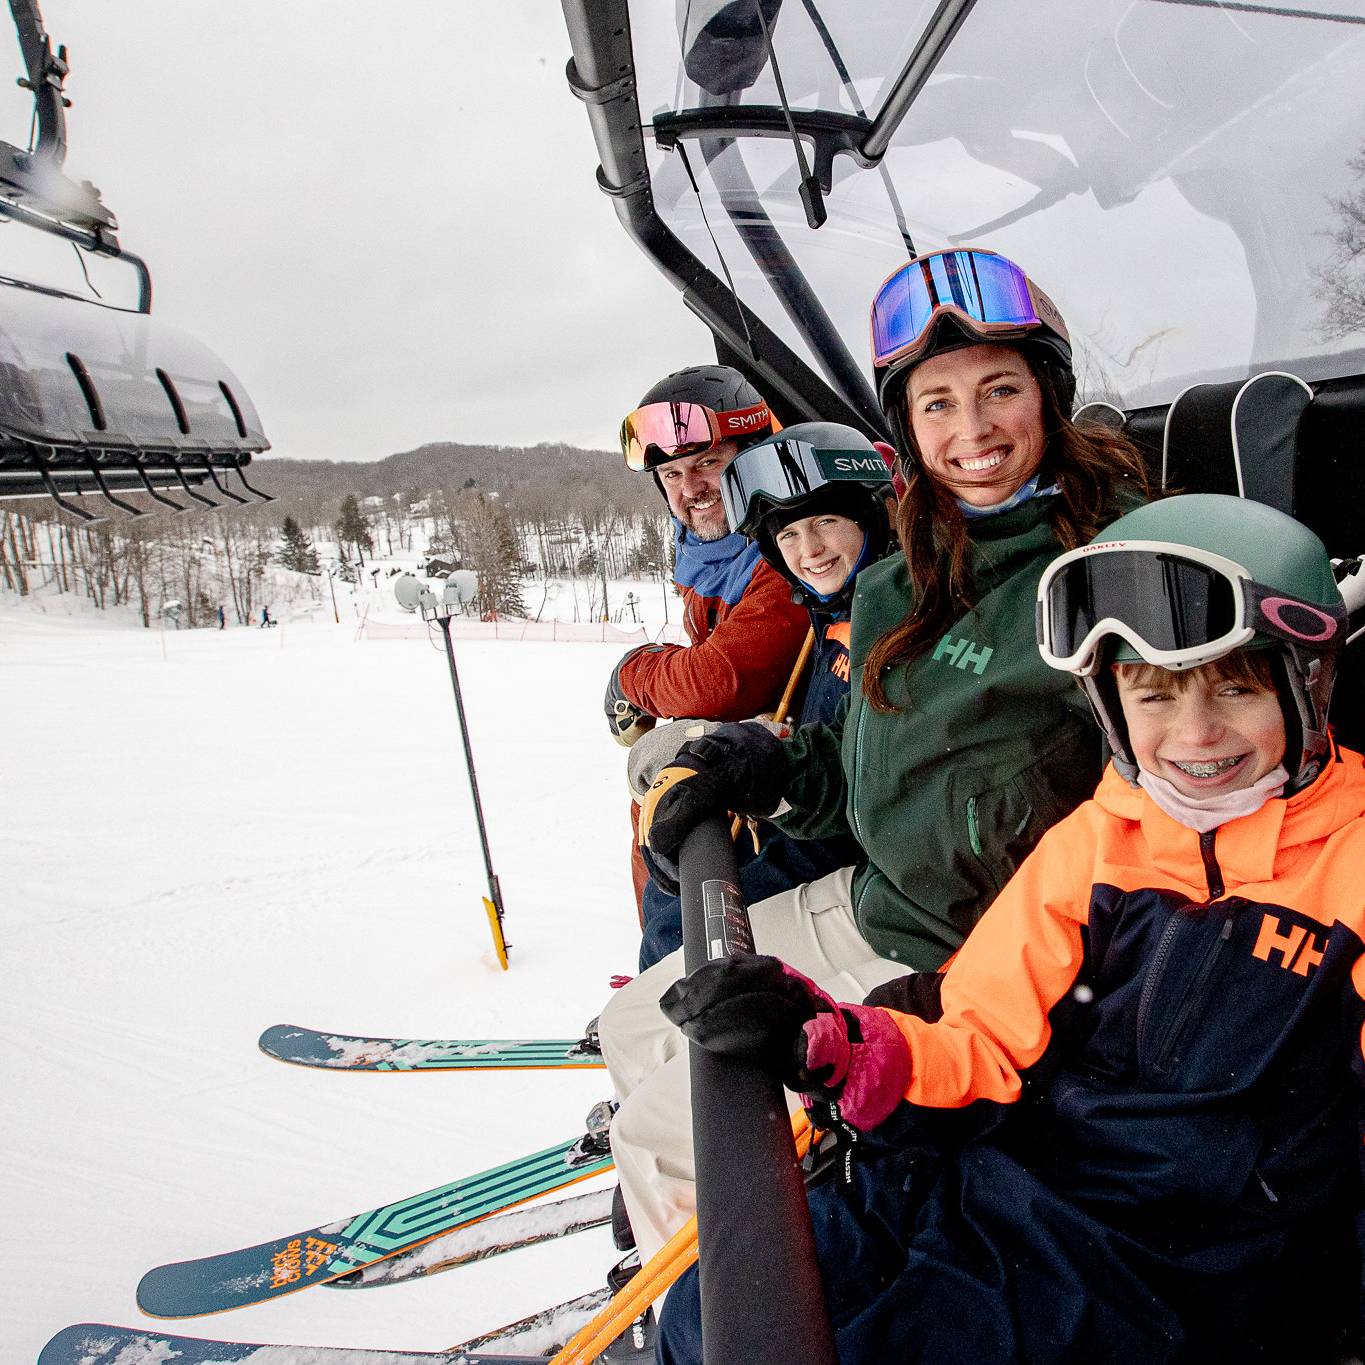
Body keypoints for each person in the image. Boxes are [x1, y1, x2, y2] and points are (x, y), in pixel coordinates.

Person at [657, 493, 1360, 1363]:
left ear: (1308, 683)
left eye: (1233, 687)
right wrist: (834, 1044)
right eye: (1151, 696)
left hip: (1169, 1269)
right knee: (711, 1314)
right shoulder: (1103, 839)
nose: (1194, 734)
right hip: (999, 1188)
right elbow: (983, 1039)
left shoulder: (1349, 870)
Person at [599, 248, 1151, 1266]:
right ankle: (724, 1252)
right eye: (936, 405)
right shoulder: (902, 579)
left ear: (1049, 397)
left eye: (1000, 391)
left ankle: (732, 1306)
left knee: (675, 1127)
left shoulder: (1116, 567)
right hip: (879, 893)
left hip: (970, 946)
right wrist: (767, 772)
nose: (972, 430)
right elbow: (866, 769)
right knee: (636, 1029)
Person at [627, 419, 895, 967]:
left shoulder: (894, 617)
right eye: (789, 535)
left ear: (872, 515)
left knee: (684, 929)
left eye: (825, 522)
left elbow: (875, 764)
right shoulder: (835, 608)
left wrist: (764, 764)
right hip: (814, 822)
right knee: (672, 887)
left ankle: (685, 1030)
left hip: (855, 853)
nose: (810, 550)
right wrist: (756, 748)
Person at [604, 365, 811, 924]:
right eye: (671, 475)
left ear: (755, 461)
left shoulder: (794, 546)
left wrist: (635, 672)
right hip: (763, 764)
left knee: (672, 799)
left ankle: (671, 963)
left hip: (806, 782)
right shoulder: (713, 558)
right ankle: (661, 960)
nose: (690, 490)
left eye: (708, 464)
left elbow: (721, 682)